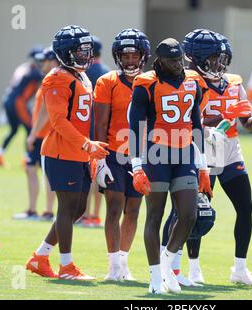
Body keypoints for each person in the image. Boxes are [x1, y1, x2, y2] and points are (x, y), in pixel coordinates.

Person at [161, 29, 252, 286]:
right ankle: (188, 269)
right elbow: (191, 120)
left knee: (245, 208)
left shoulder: (234, 82)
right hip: (201, 155)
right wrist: (224, 115)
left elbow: (246, 124)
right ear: (196, 58)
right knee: (191, 212)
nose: (220, 63)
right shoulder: (190, 82)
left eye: (222, 58)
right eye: (215, 58)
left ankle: (239, 268)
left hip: (229, 154)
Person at [25, 25, 109, 280]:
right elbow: (58, 121)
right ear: (65, 52)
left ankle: (40, 257)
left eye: (86, 50)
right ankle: (66, 266)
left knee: (79, 208)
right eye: (79, 51)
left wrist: (89, 147)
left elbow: (85, 119)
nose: (85, 55)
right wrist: (86, 144)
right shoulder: (56, 77)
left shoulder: (81, 76)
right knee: (66, 207)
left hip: (80, 151)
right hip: (62, 152)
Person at [129, 38, 212, 294]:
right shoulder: (146, 83)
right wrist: (137, 165)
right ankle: (155, 278)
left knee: (188, 214)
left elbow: (197, 124)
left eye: (180, 60)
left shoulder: (193, 81)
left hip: (185, 152)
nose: (179, 65)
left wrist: (203, 166)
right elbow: (135, 126)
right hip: (157, 152)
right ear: (160, 61)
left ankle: (167, 266)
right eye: (173, 61)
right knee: (155, 215)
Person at [94, 28, 150, 280]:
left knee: (134, 211)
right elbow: (100, 124)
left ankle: (124, 262)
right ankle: (113, 265)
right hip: (114, 153)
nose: (129, 60)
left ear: (143, 55)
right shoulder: (107, 82)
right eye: (125, 55)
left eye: (133, 55)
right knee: (114, 209)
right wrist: (99, 158)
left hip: (143, 155)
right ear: (118, 56)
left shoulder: (151, 81)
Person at [16, 47, 59, 221]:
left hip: (45, 135)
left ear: (53, 61)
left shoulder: (53, 80)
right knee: (30, 169)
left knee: (46, 174)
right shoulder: (48, 79)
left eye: (46, 60)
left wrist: (32, 134)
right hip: (42, 134)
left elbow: (46, 111)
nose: (42, 63)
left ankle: (48, 211)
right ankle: (33, 209)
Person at [0, 46, 44, 167]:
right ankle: (28, 158)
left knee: (14, 130)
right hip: (18, 102)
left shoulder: (23, 68)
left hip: (9, 99)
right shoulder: (34, 72)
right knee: (31, 129)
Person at [79, 35, 110, 228]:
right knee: (98, 172)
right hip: (102, 128)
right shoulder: (106, 72)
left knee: (88, 174)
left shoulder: (82, 72)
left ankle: (84, 213)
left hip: (84, 128)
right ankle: (96, 215)